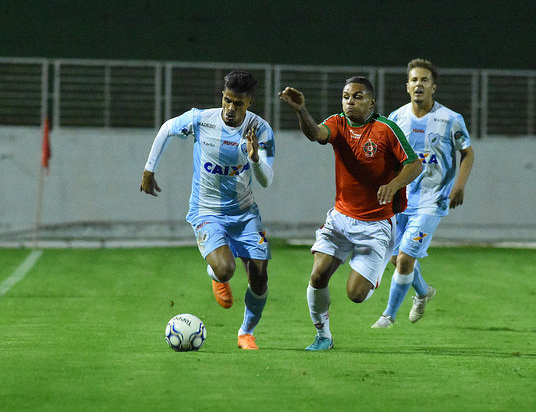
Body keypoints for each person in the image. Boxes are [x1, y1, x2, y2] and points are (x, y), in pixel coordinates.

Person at [279, 77, 423, 350]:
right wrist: (301, 111)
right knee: (318, 275)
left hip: (376, 225)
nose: (350, 102)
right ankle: (323, 335)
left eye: (357, 97)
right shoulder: (338, 123)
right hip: (340, 219)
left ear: (372, 101)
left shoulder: (386, 129)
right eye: (346, 96)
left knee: (356, 295)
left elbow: (415, 165)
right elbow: (315, 134)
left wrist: (393, 185)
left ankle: (379, 267)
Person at [140, 70, 275, 350]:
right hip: (207, 211)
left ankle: (245, 333)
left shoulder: (260, 131)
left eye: (238, 103)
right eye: (227, 100)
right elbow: (167, 128)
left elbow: (267, 180)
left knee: (259, 278)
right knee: (226, 270)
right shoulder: (202, 120)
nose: (230, 108)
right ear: (222, 96)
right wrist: (149, 168)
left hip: (245, 212)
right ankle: (216, 275)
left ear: (249, 102)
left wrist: (254, 160)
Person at [372, 59, 475, 329]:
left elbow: (467, 152)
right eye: (414, 80)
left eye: (424, 80)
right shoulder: (396, 118)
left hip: (433, 199)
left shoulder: (450, 119)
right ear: (407, 86)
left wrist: (459, 185)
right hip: (402, 198)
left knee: (405, 259)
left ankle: (388, 316)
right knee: (397, 259)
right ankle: (423, 291)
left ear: (433, 87)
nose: (419, 84)